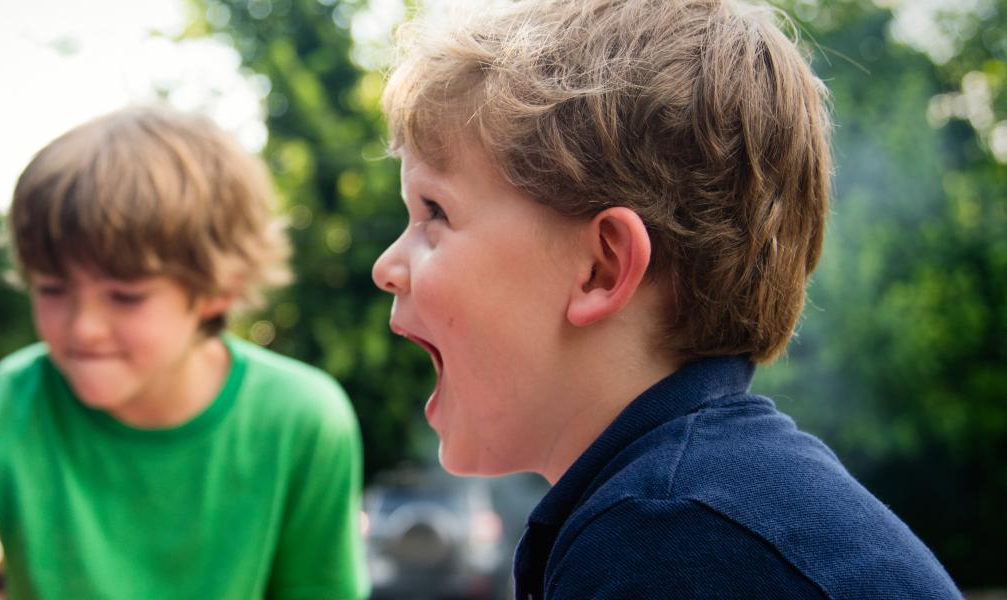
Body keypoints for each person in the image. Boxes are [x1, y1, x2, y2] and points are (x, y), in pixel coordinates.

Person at [371, 0, 961, 597]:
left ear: (602, 268)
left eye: (434, 212)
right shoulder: (707, 502)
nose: (386, 267)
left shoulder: (664, 538)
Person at [0, 105, 368, 600]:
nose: (83, 327)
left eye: (126, 296)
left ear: (218, 289)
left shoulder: (302, 418)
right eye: (52, 288)